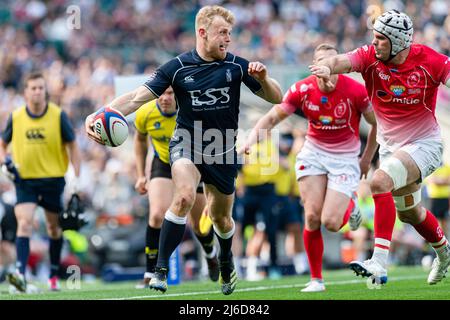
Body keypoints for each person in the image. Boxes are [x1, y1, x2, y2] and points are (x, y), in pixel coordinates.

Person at [85, 5, 282, 295]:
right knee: (185, 197)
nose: (228, 39)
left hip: (222, 147)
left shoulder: (237, 66)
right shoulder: (176, 68)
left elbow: (276, 97)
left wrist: (263, 78)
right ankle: (160, 270)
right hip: (186, 143)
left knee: (221, 219)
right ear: (202, 33)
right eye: (222, 33)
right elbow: (137, 98)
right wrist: (101, 112)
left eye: (229, 33)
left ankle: (225, 260)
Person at [309, 10, 450, 286]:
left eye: (380, 39)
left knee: (379, 181)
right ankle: (444, 253)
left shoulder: (429, 59)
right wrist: (328, 66)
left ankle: (379, 262)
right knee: (410, 212)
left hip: (424, 144)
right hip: (391, 147)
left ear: (398, 42)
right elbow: (343, 60)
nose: (374, 44)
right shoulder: (370, 57)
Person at [241, 43, 378, 292]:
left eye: (331, 62)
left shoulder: (356, 91)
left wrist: (367, 158)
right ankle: (316, 280)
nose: (326, 66)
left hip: (345, 157)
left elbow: (376, 124)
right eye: (320, 62)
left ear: (339, 66)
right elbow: (272, 117)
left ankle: (351, 205)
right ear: (313, 67)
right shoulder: (302, 89)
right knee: (312, 216)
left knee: (332, 223)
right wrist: (251, 140)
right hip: (313, 154)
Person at [0, 71, 81, 292]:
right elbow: (2, 143)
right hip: (25, 180)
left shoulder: (58, 115)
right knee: (24, 223)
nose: (37, 91)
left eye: (40, 88)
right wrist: (5, 161)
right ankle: (20, 275)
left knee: (54, 229)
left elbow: (73, 145)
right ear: (25, 92)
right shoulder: (16, 117)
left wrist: (76, 178)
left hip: (53, 179)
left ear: (45, 91)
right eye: (33, 88)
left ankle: (54, 275)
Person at [133, 86, 219, 288]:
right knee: (156, 215)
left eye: (170, 93)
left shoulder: (192, 110)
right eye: (161, 93)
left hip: (191, 162)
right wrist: (140, 175)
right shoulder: (145, 112)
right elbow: (140, 140)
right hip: (163, 162)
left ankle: (210, 254)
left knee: (198, 224)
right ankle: (150, 271)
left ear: (178, 94)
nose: (165, 98)